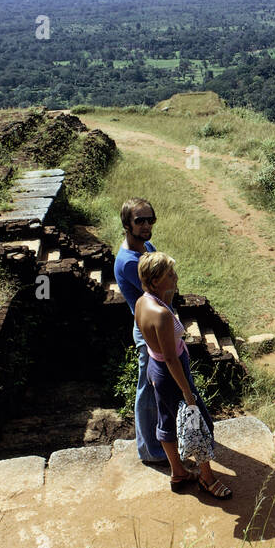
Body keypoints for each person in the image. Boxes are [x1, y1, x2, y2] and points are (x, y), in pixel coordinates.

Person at [135, 251, 233, 499]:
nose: (176, 277)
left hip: (155, 371)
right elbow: (170, 358)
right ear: (155, 281)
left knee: (167, 421)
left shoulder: (142, 303)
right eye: (170, 274)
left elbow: (154, 349)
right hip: (172, 373)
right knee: (199, 423)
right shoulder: (162, 314)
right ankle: (207, 478)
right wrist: (188, 393)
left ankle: (177, 472)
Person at [113, 198, 168, 464]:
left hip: (155, 324)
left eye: (150, 219)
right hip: (147, 330)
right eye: (140, 221)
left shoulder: (145, 247)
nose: (147, 225)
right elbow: (163, 289)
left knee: (159, 387)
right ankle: (149, 450)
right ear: (126, 224)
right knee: (147, 389)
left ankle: (164, 439)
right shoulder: (129, 262)